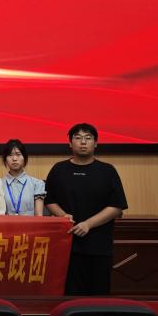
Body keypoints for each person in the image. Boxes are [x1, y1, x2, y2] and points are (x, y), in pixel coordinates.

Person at [44, 123, 128, 296]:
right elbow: (49, 200)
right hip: (66, 245)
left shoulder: (107, 171)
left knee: (98, 296)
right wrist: (63, 216)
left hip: (99, 246)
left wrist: (88, 224)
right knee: (69, 295)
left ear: (95, 143)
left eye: (88, 138)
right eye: (78, 138)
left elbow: (116, 206)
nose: (83, 142)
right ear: (70, 143)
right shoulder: (59, 169)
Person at [2, 139, 46, 217]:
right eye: (10, 155)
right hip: (5, 225)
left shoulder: (37, 184)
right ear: (5, 159)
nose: (14, 159)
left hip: (30, 225)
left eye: (18, 154)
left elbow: (39, 216)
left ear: (24, 158)